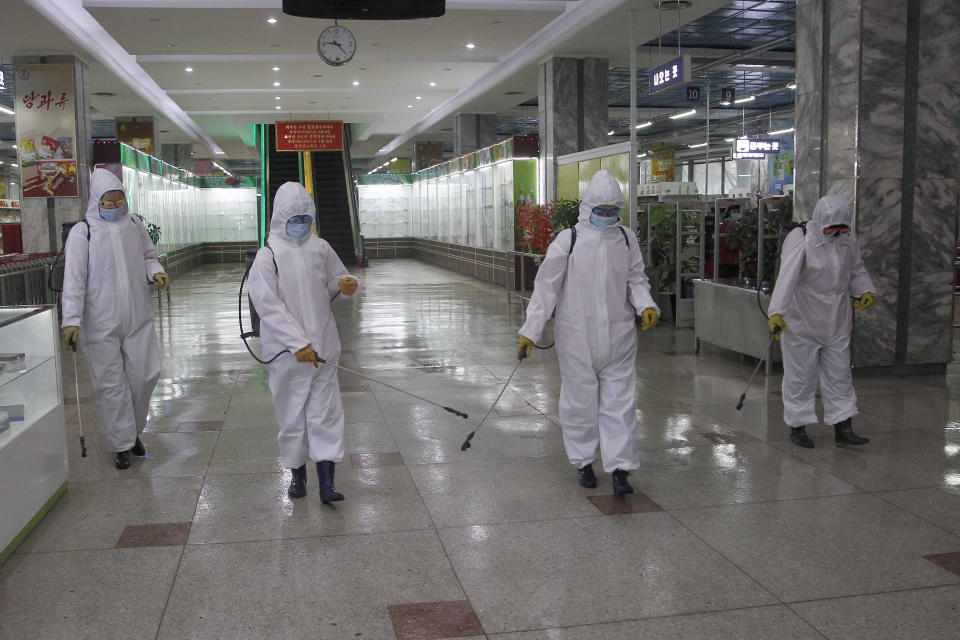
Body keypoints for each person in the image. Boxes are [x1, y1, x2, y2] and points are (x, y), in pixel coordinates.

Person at [517, 170, 659, 495]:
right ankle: (583, 461)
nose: (607, 217)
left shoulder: (626, 238)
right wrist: (531, 331)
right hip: (576, 337)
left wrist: (645, 305)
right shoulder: (568, 240)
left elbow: (636, 279)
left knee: (619, 404)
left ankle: (621, 468)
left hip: (620, 337)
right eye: (601, 210)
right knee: (579, 402)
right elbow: (545, 289)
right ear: (588, 207)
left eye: (613, 211)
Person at [248, 182, 359, 503]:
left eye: (305, 218)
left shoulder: (320, 248)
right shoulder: (267, 256)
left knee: (326, 413)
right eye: (294, 218)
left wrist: (347, 285)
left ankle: (327, 483)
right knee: (292, 413)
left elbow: (336, 280)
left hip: (324, 345)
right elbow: (268, 305)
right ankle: (297, 474)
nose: (301, 225)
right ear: (281, 218)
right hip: (286, 353)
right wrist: (297, 343)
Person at [61, 168, 169, 470]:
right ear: (97, 201)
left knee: (145, 375)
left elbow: (149, 255)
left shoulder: (134, 224)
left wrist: (155, 271)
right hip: (99, 323)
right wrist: (71, 319)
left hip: (137, 316)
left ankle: (132, 430)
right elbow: (74, 279)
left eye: (119, 200)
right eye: (108, 202)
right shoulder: (84, 232)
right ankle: (123, 444)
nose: (115, 207)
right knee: (111, 385)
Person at [768, 194, 876, 448]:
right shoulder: (801, 239)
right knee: (801, 376)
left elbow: (856, 270)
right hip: (802, 318)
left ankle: (843, 426)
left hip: (837, 319)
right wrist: (777, 312)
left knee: (839, 375)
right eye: (832, 229)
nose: (837, 235)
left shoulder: (848, 239)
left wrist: (864, 290)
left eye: (842, 229)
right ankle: (798, 426)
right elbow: (787, 278)